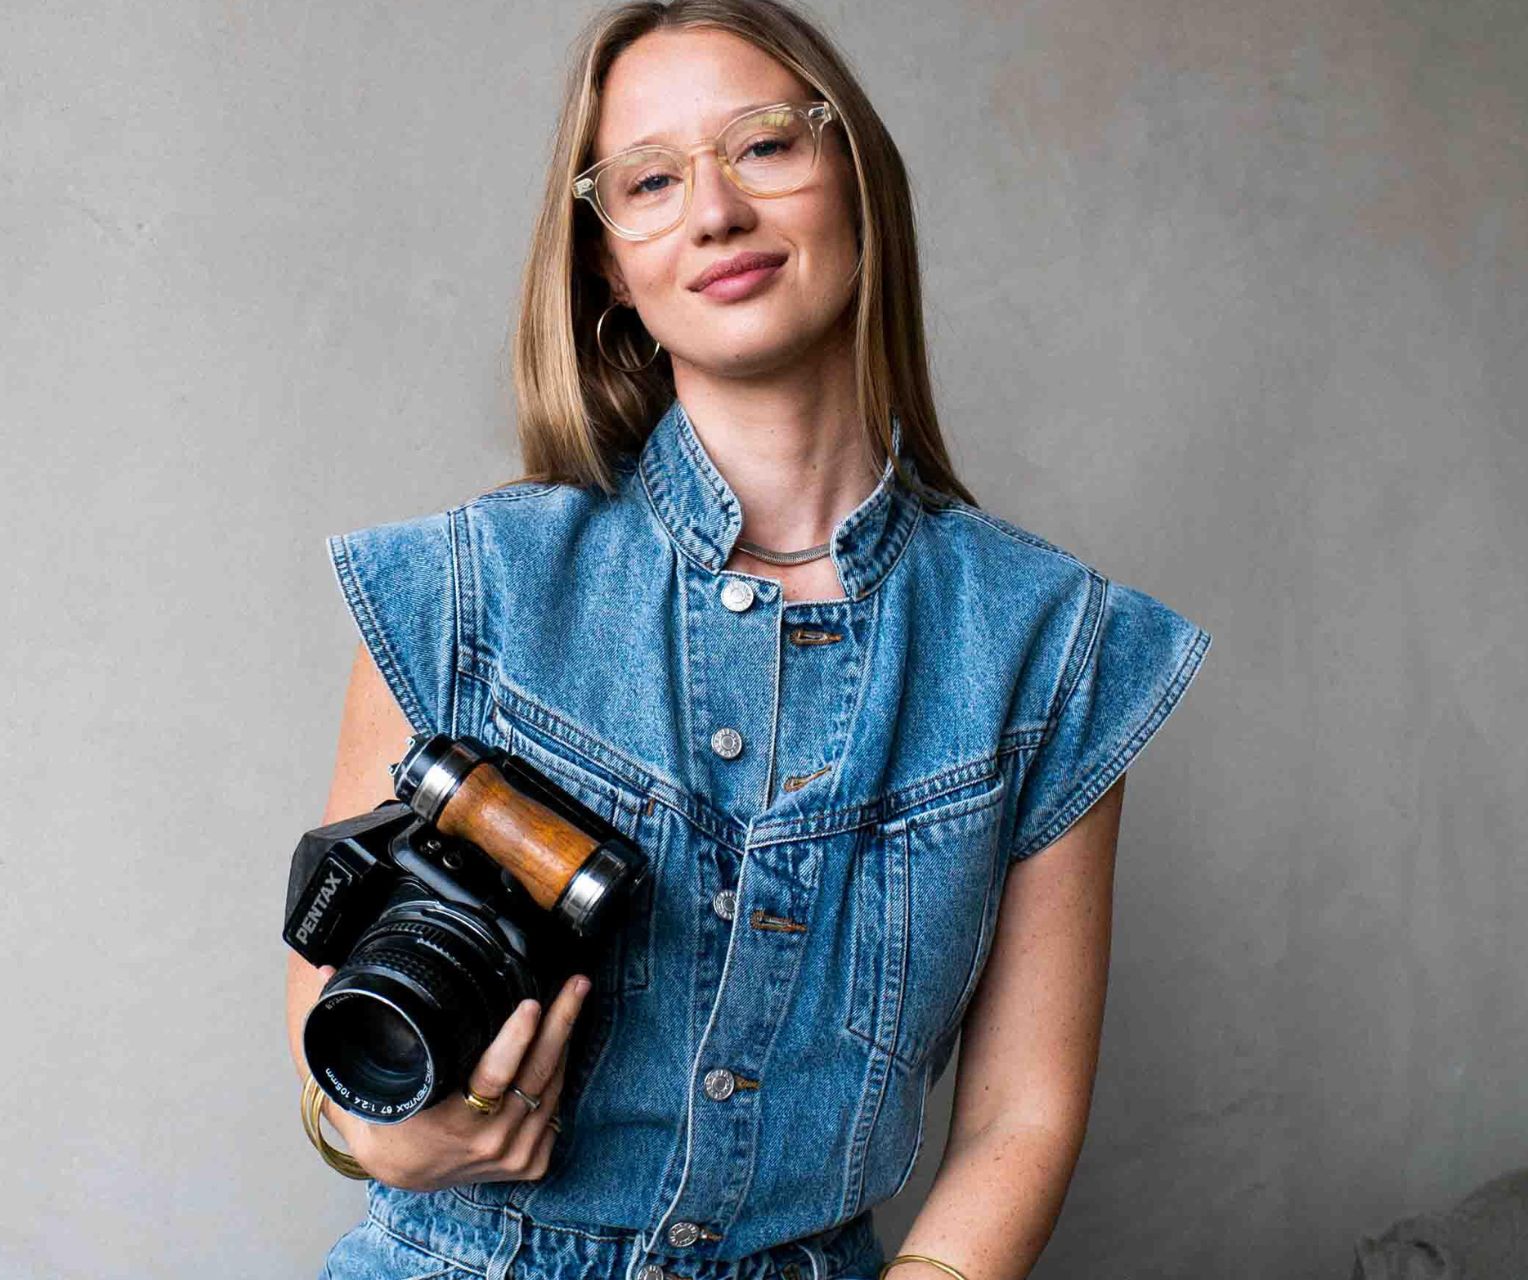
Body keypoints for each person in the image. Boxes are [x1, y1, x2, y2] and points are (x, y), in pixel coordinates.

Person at [285, 2, 1213, 1277]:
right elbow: (328, 1034)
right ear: (610, 263)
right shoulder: (467, 589)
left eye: (765, 145)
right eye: (651, 181)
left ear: (856, 180)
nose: (713, 211)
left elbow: (1021, 1115)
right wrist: (375, 1136)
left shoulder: (1047, 645)